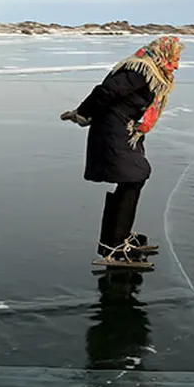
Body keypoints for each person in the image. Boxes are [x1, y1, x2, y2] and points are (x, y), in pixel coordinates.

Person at [60, 35, 183, 265]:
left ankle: (117, 237)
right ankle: (115, 244)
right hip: (114, 129)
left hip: (124, 128)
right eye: (175, 58)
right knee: (133, 177)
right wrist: (83, 113)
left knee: (134, 177)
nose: (176, 64)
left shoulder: (150, 71)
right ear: (163, 53)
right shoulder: (140, 71)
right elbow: (105, 92)